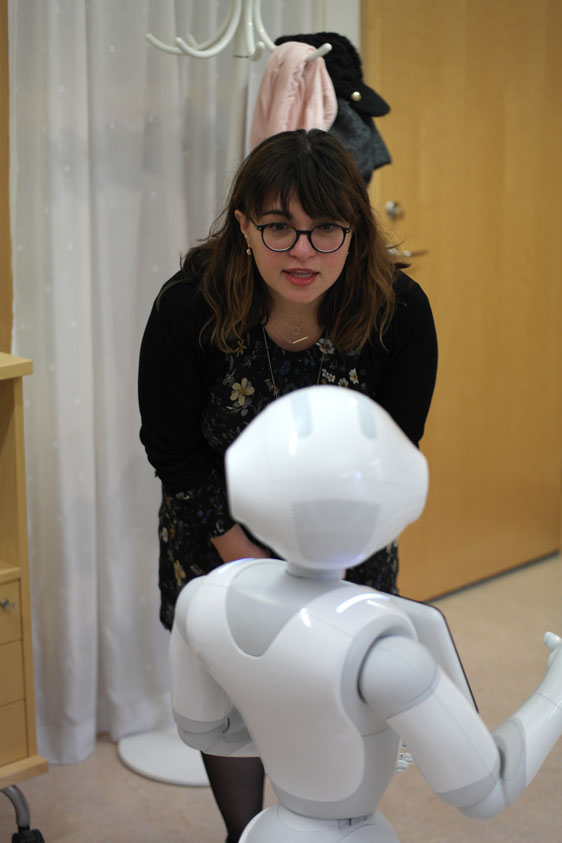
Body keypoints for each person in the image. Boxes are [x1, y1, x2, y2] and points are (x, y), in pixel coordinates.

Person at [138, 129, 438, 843]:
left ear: (354, 229)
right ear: (245, 226)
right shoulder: (191, 307)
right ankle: (242, 832)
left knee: (334, 704)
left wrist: (325, 571)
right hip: (215, 537)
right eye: (279, 227)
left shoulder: (398, 310)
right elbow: (173, 449)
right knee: (233, 700)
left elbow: (391, 451)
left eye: (325, 229)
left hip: (346, 546)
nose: (302, 252)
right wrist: (243, 558)